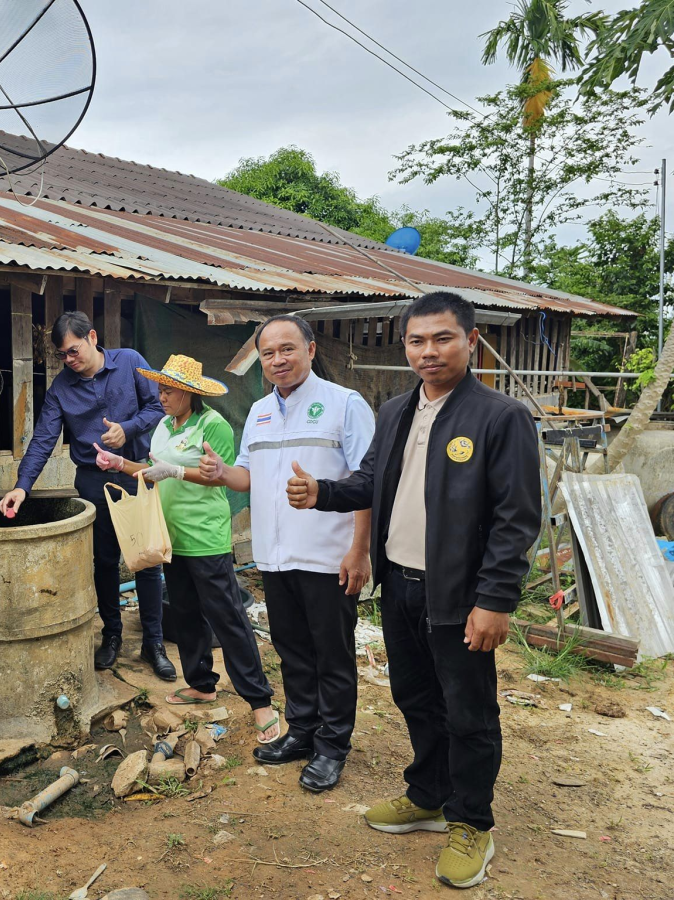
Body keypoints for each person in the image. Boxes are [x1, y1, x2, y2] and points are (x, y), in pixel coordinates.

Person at [286, 292, 541, 889]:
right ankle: (427, 794)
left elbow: (516, 518)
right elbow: (372, 480)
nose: (429, 352)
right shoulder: (397, 410)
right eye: (417, 341)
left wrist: (496, 599)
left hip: (460, 595)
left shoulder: (499, 417)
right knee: (415, 698)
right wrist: (322, 492)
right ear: (405, 346)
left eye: (442, 338)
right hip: (400, 583)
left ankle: (472, 821)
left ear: (471, 341)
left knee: (469, 712)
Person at [200, 315, 374, 793]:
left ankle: (333, 745)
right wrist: (219, 472)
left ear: (311, 350)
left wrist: (359, 552)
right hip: (274, 558)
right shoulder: (258, 411)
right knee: (293, 650)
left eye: (287, 349)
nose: (278, 360)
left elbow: (367, 483)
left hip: (327, 556)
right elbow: (246, 476)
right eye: (269, 353)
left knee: (331, 655)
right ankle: (301, 730)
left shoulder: (345, 405)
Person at [92, 354, 278, 743]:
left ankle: (261, 702)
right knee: (188, 616)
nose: (162, 396)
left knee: (228, 618)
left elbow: (222, 476)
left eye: (169, 390)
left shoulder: (214, 425)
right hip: (170, 536)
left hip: (205, 538)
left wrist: (177, 471)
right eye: (160, 389)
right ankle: (201, 684)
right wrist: (118, 463)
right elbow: (150, 469)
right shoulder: (162, 425)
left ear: (190, 393)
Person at [0, 311, 174, 680]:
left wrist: (127, 429)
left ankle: (153, 643)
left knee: (148, 559)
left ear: (92, 337)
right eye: (62, 355)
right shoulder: (61, 388)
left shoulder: (130, 362)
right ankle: (111, 636)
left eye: (74, 350)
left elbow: (158, 407)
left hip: (135, 472)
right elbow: (43, 439)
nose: (69, 360)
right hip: (93, 482)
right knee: (105, 561)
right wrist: (21, 486)